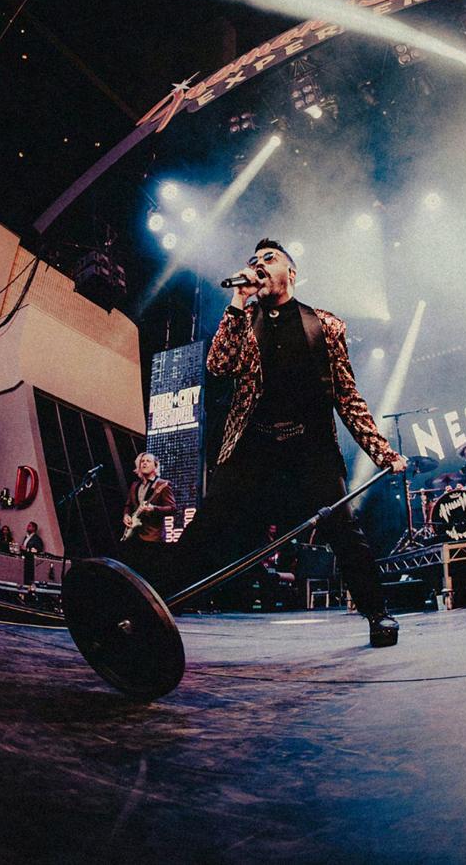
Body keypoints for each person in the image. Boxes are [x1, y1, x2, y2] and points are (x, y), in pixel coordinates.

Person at [176, 238, 407, 647]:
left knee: (343, 528)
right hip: (253, 446)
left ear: (291, 273)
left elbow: (347, 397)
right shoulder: (244, 319)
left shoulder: (325, 326)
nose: (259, 264)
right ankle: (153, 597)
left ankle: (377, 613)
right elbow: (218, 365)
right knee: (207, 525)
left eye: (269, 258)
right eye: (254, 260)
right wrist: (237, 302)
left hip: (309, 446)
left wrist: (382, 452)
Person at [121, 452, 176, 590]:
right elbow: (128, 505)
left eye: (148, 461)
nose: (144, 463)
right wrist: (126, 515)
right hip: (135, 537)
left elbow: (172, 508)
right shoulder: (135, 485)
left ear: (155, 466)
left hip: (153, 537)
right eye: (142, 461)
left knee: (151, 575)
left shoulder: (162, 484)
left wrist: (154, 509)